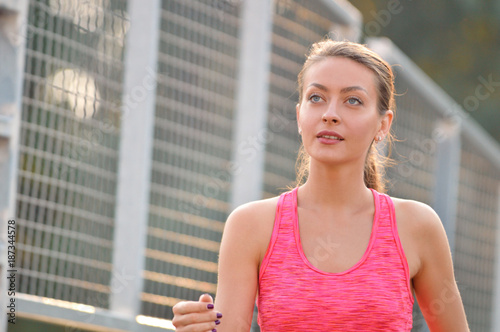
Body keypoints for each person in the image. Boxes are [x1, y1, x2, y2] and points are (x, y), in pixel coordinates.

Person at [171, 39, 469, 332]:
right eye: (316, 98)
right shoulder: (249, 225)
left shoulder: (418, 226)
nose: (330, 113)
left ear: (383, 125)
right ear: (300, 115)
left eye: (353, 100)